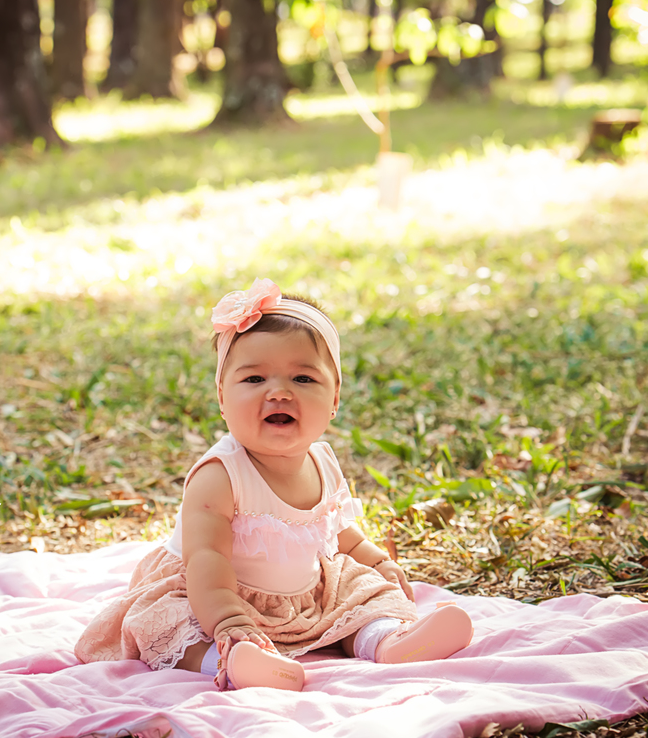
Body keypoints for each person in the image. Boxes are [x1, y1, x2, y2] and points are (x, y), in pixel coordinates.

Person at [74, 278, 474, 690]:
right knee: (167, 624)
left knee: (361, 589)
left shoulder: (323, 462)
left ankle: (388, 640)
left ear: (335, 398)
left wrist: (375, 561)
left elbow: (336, 530)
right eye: (254, 380)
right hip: (210, 592)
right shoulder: (220, 475)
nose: (279, 392)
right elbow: (206, 556)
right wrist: (228, 620)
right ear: (222, 397)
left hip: (304, 594)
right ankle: (229, 660)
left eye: (303, 379)